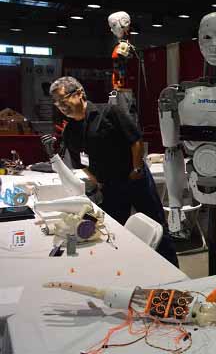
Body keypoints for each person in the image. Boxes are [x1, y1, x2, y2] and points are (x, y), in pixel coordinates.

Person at [49, 76, 179, 267]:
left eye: (63, 100)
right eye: (57, 103)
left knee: (157, 225)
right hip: (110, 186)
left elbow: (135, 140)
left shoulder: (109, 111)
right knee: (115, 230)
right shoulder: (70, 131)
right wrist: (98, 181)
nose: (61, 106)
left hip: (134, 178)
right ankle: (125, 267)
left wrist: (135, 169)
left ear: (79, 94)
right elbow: (79, 163)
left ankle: (172, 269)